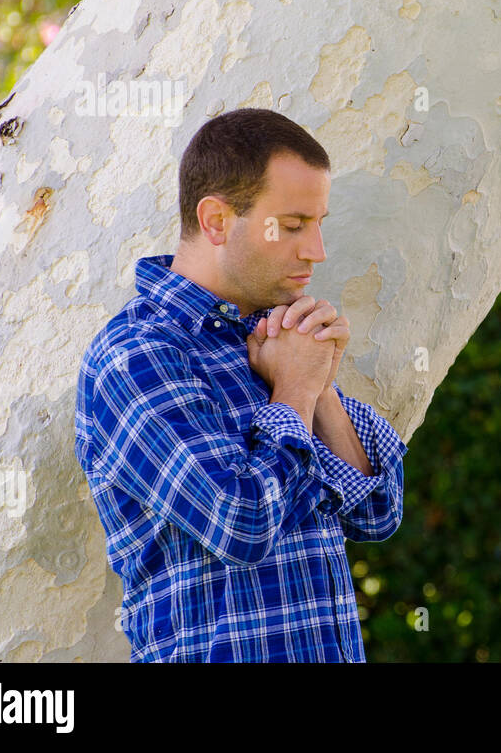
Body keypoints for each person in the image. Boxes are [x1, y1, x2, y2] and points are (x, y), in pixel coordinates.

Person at [73, 108, 406, 662]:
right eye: (294, 225)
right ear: (217, 222)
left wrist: (319, 390)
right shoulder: (138, 356)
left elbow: (376, 513)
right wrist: (296, 391)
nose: (316, 251)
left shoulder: (272, 339)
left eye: (319, 223)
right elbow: (241, 522)